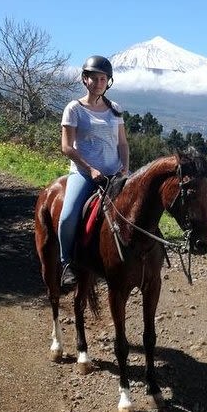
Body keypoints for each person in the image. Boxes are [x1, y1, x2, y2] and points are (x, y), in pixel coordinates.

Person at [59, 55, 129, 290]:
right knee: (68, 216)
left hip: (114, 174)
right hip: (84, 173)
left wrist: (125, 168)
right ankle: (66, 262)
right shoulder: (74, 109)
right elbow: (66, 147)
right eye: (94, 78)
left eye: (103, 78)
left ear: (108, 81)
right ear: (84, 80)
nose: (98, 82)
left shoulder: (115, 109)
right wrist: (89, 169)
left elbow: (123, 144)